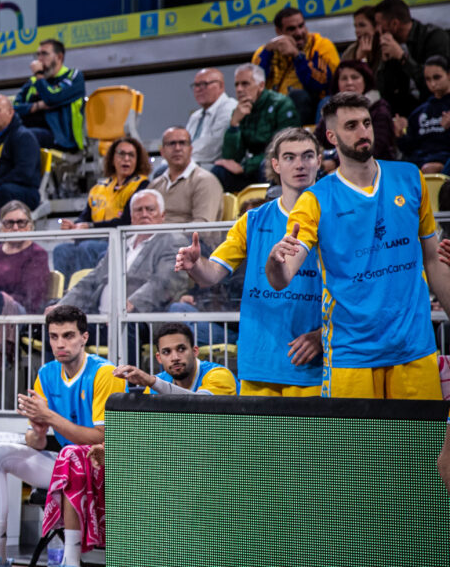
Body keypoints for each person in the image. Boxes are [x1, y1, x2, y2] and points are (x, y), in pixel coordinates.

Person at [268, 92, 450, 399]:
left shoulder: (410, 178)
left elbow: (433, 260)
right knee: (355, 435)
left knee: (422, 433)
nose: (363, 131)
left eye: (366, 123)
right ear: (332, 137)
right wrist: (275, 262)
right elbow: (283, 276)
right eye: (351, 126)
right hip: (351, 354)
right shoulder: (315, 200)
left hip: (414, 347)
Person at [0, 305, 124, 567]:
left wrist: (49, 417)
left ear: (85, 337)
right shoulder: (46, 373)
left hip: (107, 468)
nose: (60, 343)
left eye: (69, 335)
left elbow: (103, 438)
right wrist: (36, 430)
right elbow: (35, 441)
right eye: (54, 336)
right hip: (68, 464)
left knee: (72, 455)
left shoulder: (104, 373)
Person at [175, 127, 324, 396]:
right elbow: (212, 273)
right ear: (276, 165)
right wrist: (195, 264)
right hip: (258, 363)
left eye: (307, 156)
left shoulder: (336, 219)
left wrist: (322, 335)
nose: (300, 164)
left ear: (319, 161)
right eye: (289, 157)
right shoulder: (253, 220)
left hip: (312, 366)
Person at [56, 189, 191, 315]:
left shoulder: (174, 241)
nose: (144, 214)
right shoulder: (121, 242)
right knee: (56, 322)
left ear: (162, 215)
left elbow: (163, 282)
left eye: (150, 209)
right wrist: (62, 305)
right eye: (139, 210)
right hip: (101, 317)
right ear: (131, 217)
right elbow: (93, 279)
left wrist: (132, 304)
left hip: (139, 319)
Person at [53, 136, 150, 277]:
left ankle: (86, 289)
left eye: (131, 155)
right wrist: (75, 225)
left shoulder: (142, 186)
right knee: (61, 250)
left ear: (137, 160)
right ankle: (66, 290)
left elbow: (126, 221)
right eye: (121, 154)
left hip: (122, 240)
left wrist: (90, 227)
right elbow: (85, 217)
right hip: (96, 238)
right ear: (112, 159)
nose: (126, 159)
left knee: (88, 247)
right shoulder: (99, 188)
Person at [215, 63, 300, 192]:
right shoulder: (240, 110)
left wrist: (245, 166)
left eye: (245, 84)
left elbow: (283, 148)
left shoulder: (281, 104)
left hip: (274, 164)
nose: (239, 89)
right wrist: (234, 125)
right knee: (220, 171)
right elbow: (231, 158)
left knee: (267, 165)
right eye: (236, 85)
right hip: (251, 168)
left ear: (261, 85)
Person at [252, 6, 340, 123]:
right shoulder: (265, 52)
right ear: (279, 31)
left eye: (301, 26)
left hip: (311, 110)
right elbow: (253, 85)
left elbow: (322, 84)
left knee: (298, 96)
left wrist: (297, 56)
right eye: (291, 29)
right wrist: (267, 53)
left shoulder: (321, 46)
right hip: (274, 112)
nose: (299, 33)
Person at [314, 60, 398, 170]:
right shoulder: (332, 110)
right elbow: (316, 140)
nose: (349, 82)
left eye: (355, 77)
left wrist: (334, 163)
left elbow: (375, 148)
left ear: (365, 80)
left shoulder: (380, 109)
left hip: (378, 169)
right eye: (344, 78)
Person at [373, 0, 450, 115]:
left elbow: (433, 83)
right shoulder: (390, 46)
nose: (377, 30)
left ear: (394, 24)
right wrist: (384, 63)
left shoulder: (434, 37)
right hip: (406, 114)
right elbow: (385, 93)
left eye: (378, 24)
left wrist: (402, 58)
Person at [114, 323, 237, 395]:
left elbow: (200, 405)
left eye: (181, 349)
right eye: (166, 352)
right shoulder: (156, 384)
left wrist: (153, 382)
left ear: (195, 351)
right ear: (159, 358)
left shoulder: (219, 375)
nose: (175, 358)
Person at [13, 39, 86, 152]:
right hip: (28, 131)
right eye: (38, 54)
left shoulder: (73, 76)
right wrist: (38, 106)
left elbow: (52, 98)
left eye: (44, 54)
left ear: (59, 57)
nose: (39, 59)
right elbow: (14, 108)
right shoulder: (33, 81)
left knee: (25, 136)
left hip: (61, 139)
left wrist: (39, 74)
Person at [149, 126, 225, 223]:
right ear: (162, 151)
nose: (177, 148)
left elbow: (202, 227)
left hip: (190, 233)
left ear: (191, 149)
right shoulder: (155, 185)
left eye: (182, 143)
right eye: (172, 143)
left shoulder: (206, 181)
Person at [394, 56, 450, 174]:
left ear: (448, 75)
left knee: (428, 169)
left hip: (444, 161)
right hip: (419, 161)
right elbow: (409, 148)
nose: (432, 83)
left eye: (437, 77)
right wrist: (400, 135)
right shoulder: (418, 112)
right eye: (428, 79)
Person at [184, 68, 239, 166]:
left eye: (204, 84)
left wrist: (182, 159)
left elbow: (213, 148)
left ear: (221, 86)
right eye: (196, 85)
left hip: (215, 165)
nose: (198, 89)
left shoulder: (230, 107)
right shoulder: (195, 116)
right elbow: (184, 144)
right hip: (192, 163)